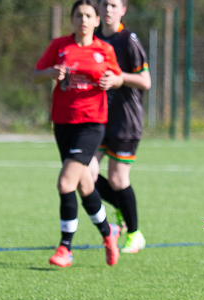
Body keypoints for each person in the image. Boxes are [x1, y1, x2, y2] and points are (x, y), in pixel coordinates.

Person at [34, 0, 123, 268]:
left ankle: (65, 247)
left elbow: (118, 77)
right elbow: (36, 75)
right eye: (78, 15)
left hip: (91, 124)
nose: (83, 20)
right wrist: (50, 73)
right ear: (72, 19)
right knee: (85, 185)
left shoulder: (104, 49)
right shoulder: (59, 46)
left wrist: (112, 81)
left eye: (88, 15)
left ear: (96, 21)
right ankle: (109, 232)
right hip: (63, 123)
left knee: (65, 184)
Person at [89, 0, 152, 254]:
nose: (108, 9)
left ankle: (135, 235)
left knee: (117, 178)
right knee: (85, 173)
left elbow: (145, 81)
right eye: (104, 4)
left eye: (114, 5)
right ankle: (121, 209)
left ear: (123, 10)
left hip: (125, 120)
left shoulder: (129, 41)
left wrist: (119, 79)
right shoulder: (92, 39)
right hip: (96, 118)